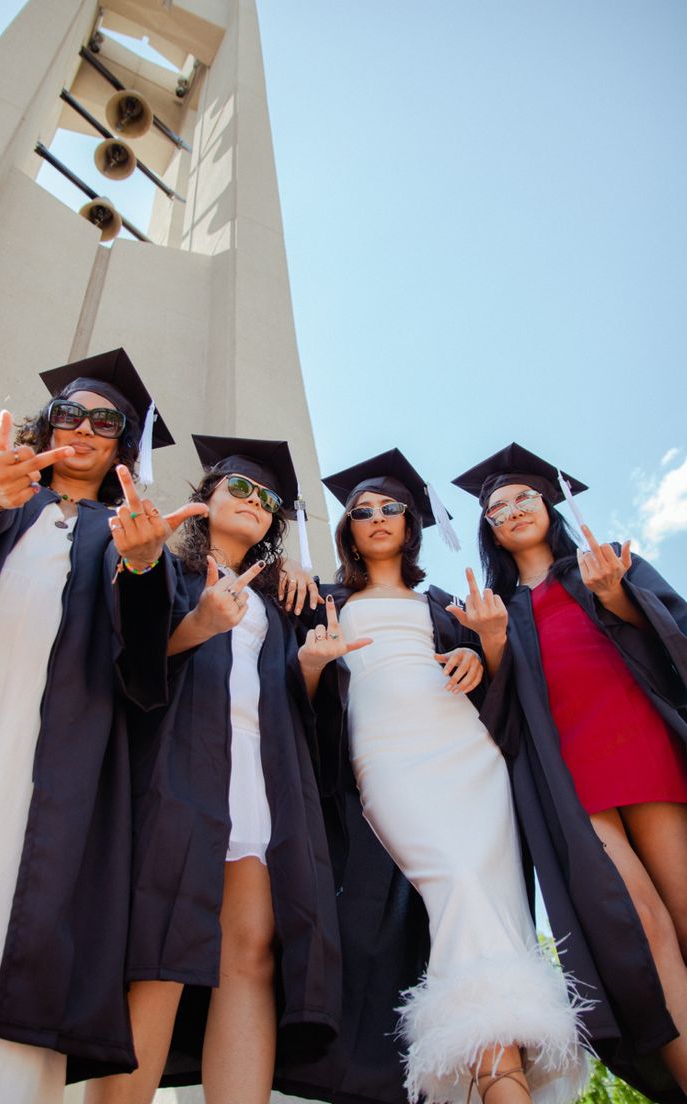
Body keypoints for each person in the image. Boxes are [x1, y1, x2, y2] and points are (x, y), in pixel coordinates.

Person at [296, 449, 589, 1104]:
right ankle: (493, 1072)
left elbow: (502, 680)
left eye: (390, 508)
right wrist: (313, 666)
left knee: (496, 903)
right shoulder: (323, 600)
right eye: (362, 511)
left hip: (470, 757)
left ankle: (504, 1077)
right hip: (390, 762)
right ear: (347, 528)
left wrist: (476, 651)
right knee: (453, 881)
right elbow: (299, 693)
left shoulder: (447, 602)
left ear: (411, 524)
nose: (376, 518)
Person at [0, 348, 204, 1103]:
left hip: (51, 753)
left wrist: (142, 567)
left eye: (106, 421)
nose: (86, 429)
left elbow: (141, 670)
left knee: (7, 901)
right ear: (46, 423)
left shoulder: (125, 532)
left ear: (125, 443)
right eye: (71, 414)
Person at [86, 435, 341, 1104]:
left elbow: (291, 702)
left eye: (269, 501)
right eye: (242, 490)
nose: (256, 504)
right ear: (206, 500)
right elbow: (131, 668)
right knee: (163, 952)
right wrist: (197, 625)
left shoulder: (279, 602)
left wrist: (309, 667)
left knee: (251, 950)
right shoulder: (162, 566)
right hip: (177, 763)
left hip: (255, 774)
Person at [452, 440, 687, 1104]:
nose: (513, 509)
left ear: (549, 502)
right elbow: (499, 715)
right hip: (569, 771)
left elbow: (674, 639)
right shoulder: (494, 610)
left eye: (524, 496)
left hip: (641, 746)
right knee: (637, 926)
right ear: (489, 529)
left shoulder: (604, 564)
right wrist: (491, 644)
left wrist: (617, 599)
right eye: (498, 507)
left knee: (683, 907)